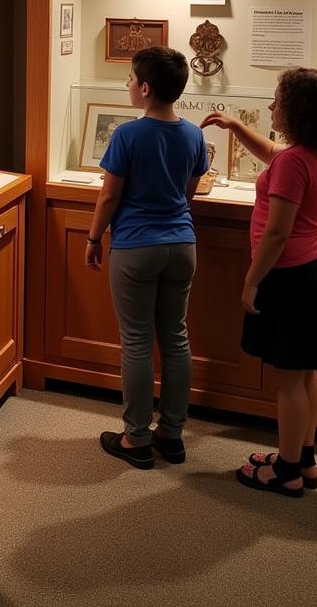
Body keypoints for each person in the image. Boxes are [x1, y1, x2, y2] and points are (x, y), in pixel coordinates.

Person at [202, 68, 317, 498]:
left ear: (298, 111)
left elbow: (277, 232)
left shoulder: (292, 162)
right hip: (313, 272)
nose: (271, 107)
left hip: (287, 277)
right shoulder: (316, 153)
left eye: (277, 101)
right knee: (306, 374)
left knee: (288, 380)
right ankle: (303, 459)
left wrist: (251, 280)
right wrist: (235, 126)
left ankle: (286, 471)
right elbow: (273, 153)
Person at [85, 47, 209, 469]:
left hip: (137, 245)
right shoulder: (194, 135)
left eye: (130, 79)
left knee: (136, 342)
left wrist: (93, 236)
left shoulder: (127, 135)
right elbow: (190, 190)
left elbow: (109, 194)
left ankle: (136, 438)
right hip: (182, 244)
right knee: (176, 338)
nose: (127, 85)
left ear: (145, 88)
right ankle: (171, 435)